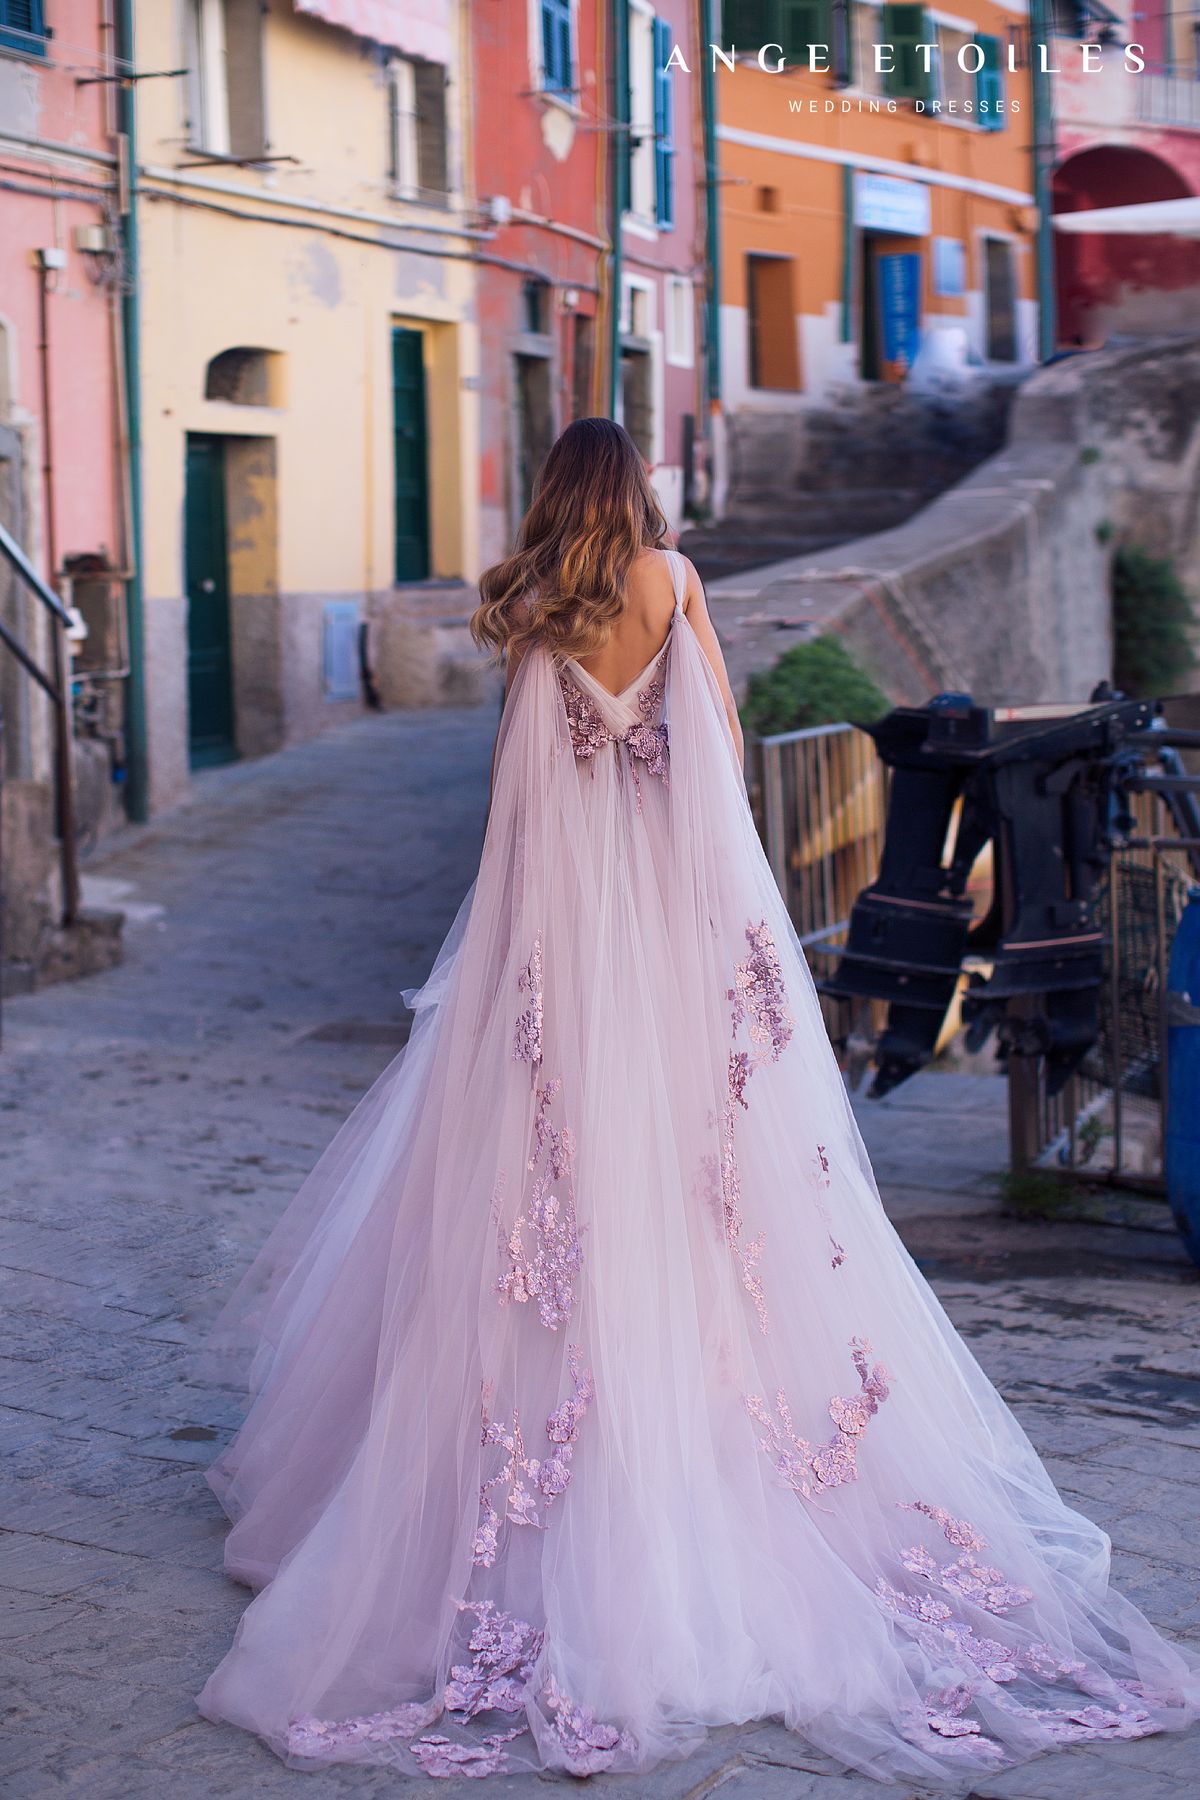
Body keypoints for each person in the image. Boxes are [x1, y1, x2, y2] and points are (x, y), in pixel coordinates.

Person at [198, 419, 1198, 1782]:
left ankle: (524, 1502)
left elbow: (513, 800)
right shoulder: (670, 581)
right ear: (639, 491)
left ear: (556, 496)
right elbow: (718, 751)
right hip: (669, 935)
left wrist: (504, 962)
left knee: (541, 1201)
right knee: (699, 1192)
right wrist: (742, 945)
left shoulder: (529, 604)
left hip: (563, 940)